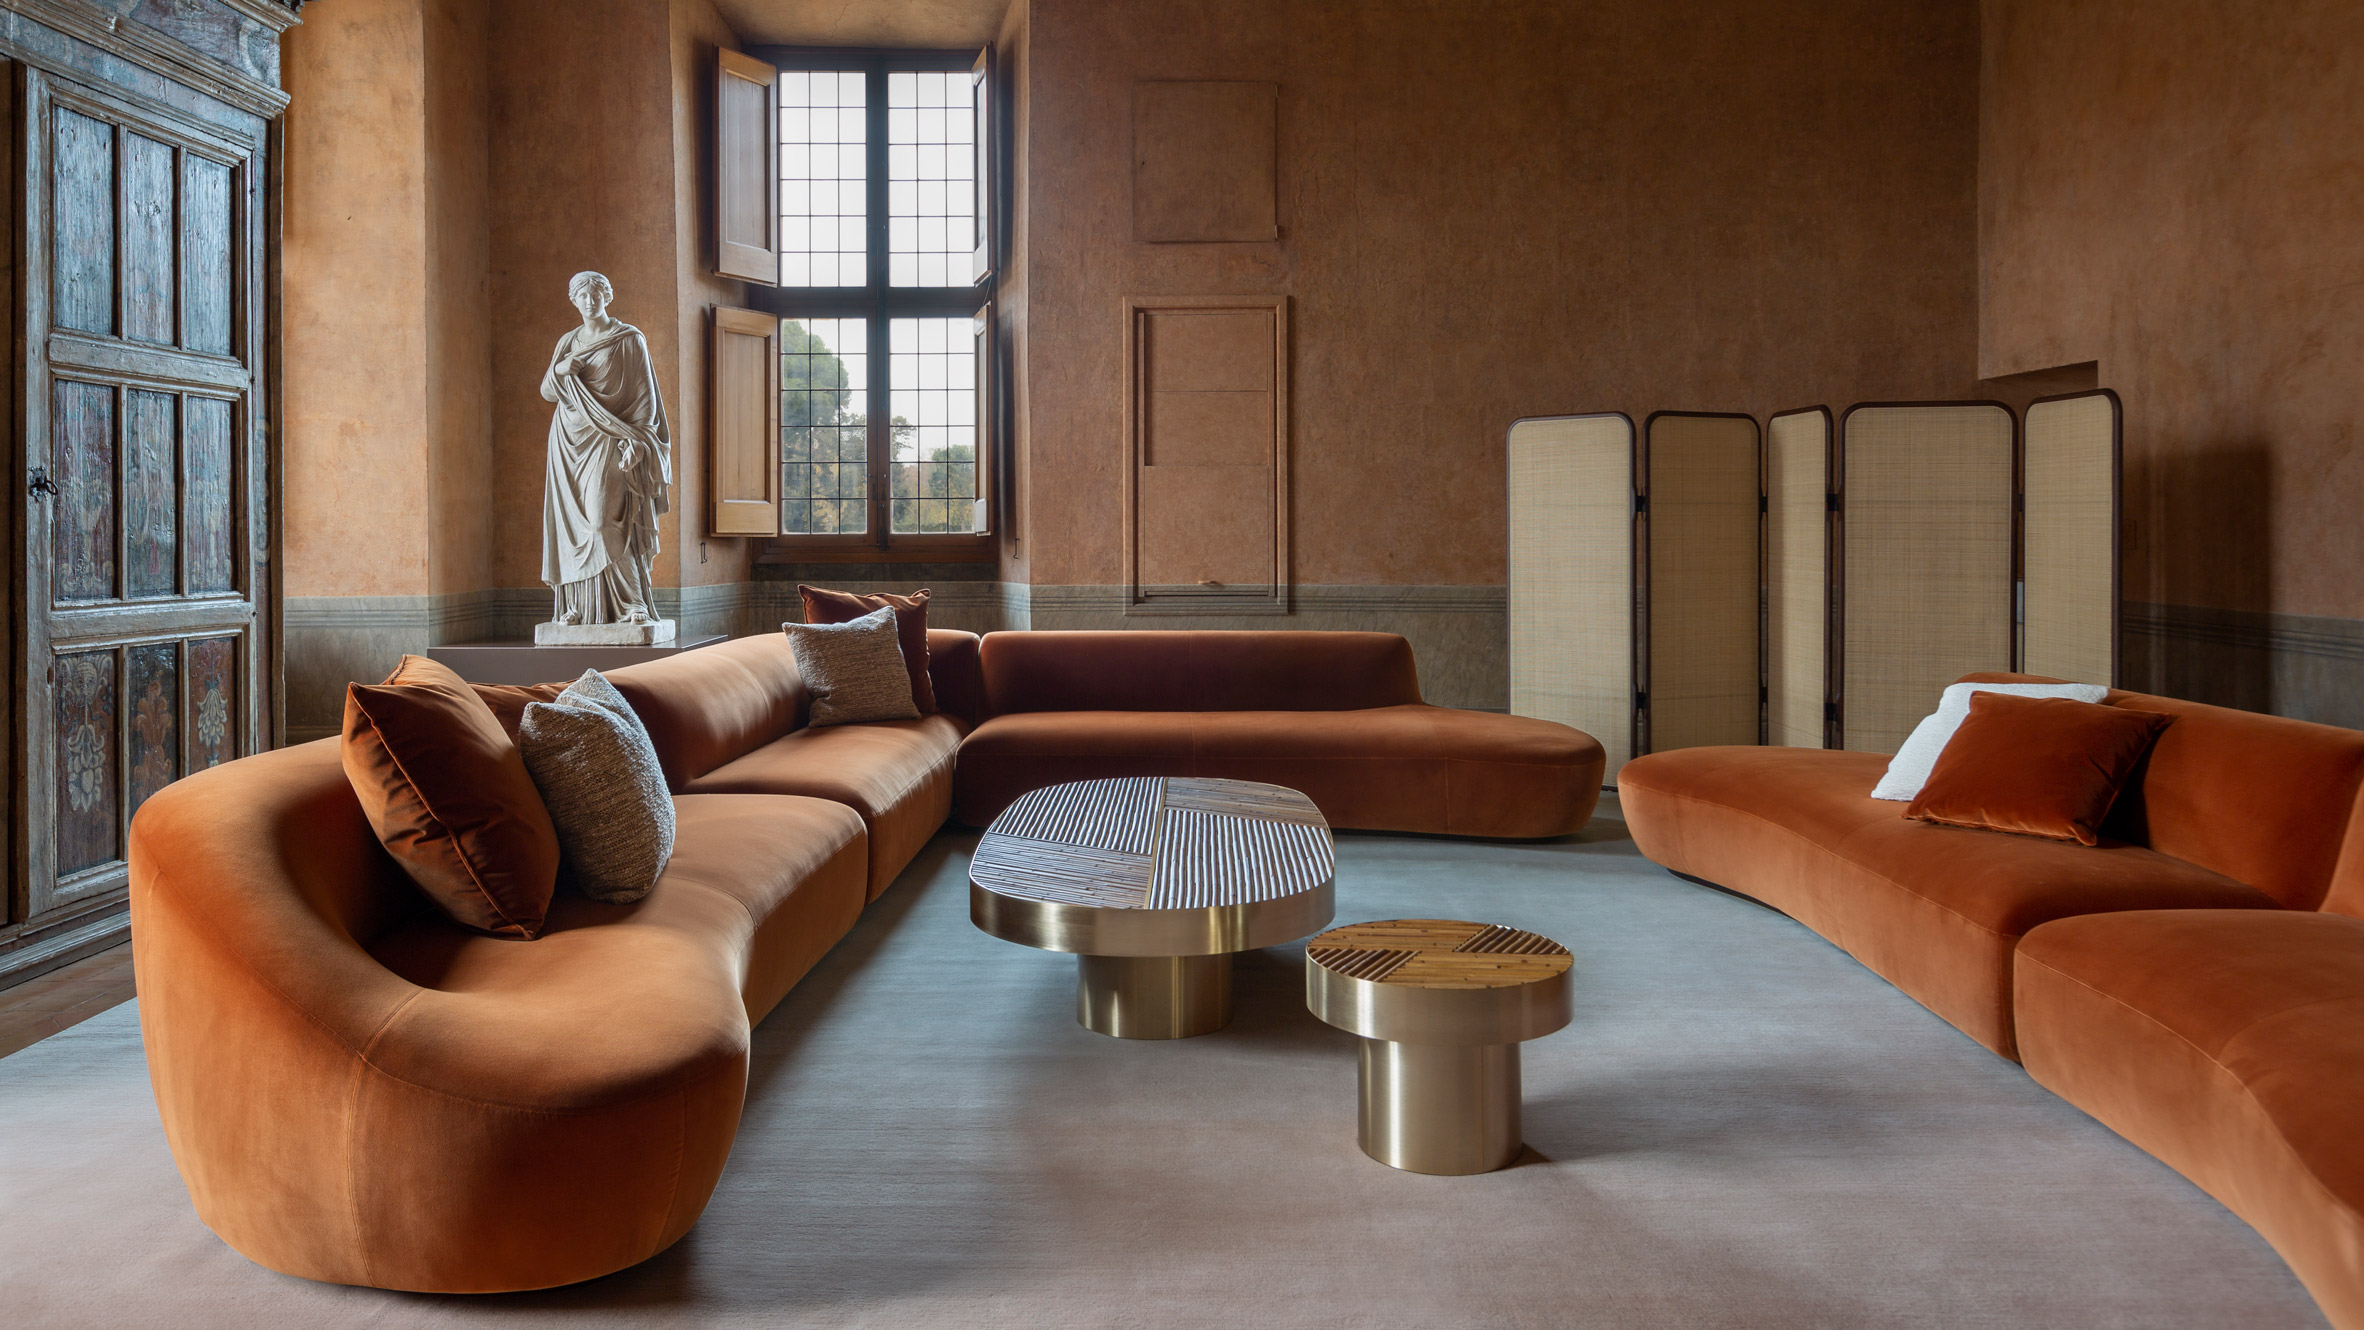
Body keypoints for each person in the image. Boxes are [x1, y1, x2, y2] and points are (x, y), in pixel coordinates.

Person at [539, 270, 671, 627]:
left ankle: (631, 603)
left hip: (611, 440)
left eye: (596, 294)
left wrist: (640, 443)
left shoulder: (628, 340)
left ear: (607, 297)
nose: (589, 300)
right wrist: (560, 370)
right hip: (568, 441)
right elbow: (548, 391)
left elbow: (646, 400)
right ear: (574, 300)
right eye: (582, 295)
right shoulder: (568, 342)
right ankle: (578, 608)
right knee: (571, 528)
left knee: (603, 521)